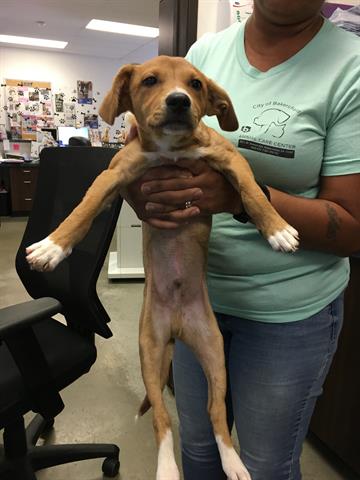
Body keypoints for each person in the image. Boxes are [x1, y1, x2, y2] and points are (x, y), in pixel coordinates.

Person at [125, 1, 360, 478]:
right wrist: (141, 192)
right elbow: (145, 157)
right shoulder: (203, 54)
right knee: (199, 452)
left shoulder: (350, 67)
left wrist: (236, 199)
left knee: (265, 467)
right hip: (194, 295)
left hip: (287, 314)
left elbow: (352, 226)